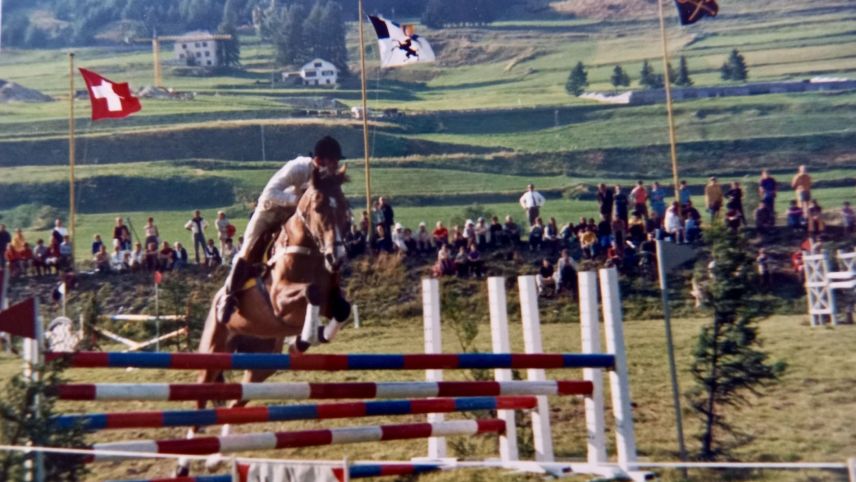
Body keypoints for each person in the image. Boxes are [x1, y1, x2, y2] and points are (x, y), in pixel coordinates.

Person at [217, 136, 346, 324]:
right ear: (319, 160)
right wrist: (298, 202)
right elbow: (270, 192)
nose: (335, 166)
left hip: (294, 218)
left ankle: (331, 293)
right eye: (333, 161)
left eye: (337, 162)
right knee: (248, 248)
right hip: (270, 211)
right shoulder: (299, 168)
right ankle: (228, 297)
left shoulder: (327, 180)